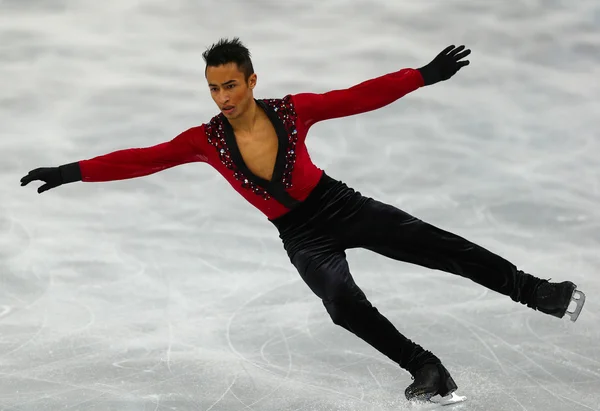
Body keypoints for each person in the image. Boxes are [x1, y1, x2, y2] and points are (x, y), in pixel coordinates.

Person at [20, 37, 585, 404]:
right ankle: (427, 369)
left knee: (439, 247)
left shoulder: (294, 111)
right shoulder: (205, 141)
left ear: (252, 81)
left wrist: (422, 75)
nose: (222, 97)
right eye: (214, 87)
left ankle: (538, 293)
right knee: (341, 305)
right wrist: (71, 171)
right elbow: (142, 158)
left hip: (342, 207)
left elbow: (358, 96)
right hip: (301, 235)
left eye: (231, 84)